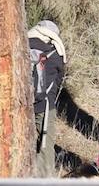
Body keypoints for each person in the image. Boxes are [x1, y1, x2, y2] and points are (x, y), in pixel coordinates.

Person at [27, 19, 67, 178]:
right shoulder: (56, 53)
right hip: (45, 105)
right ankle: (43, 177)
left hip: (19, 102)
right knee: (46, 145)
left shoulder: (22, 43)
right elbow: (58, 80)